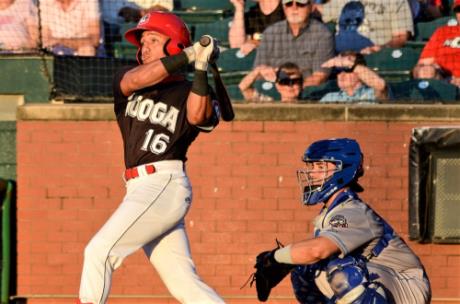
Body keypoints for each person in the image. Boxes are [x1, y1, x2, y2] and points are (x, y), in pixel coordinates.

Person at [77, 11, 224, 304]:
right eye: (141, 41)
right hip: (138, 187)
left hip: (164, 183)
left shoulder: (191, 90)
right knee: (185, 284)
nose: (143, 47)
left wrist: (200, 66)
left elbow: (199, 116)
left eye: (153, 40)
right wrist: (189, 55)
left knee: (100, 251)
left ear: (174, 45)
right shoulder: (129, 78)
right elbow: (134, 80)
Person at [266, 138, 432, 303]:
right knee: (305, 270)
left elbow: (317, 250)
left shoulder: (352, 210)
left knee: (343, 272)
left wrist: (275, 257)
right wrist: (287, 261)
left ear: (343, 170)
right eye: (312, 166)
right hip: (380, 278)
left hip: (407, 284)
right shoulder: (331, 210)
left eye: (320, 166)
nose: (312, 173)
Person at [253, 0, 334, 88]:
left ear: (311, 7)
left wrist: (291, 87)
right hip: (273, 92)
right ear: (284, 8)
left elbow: (319, 77)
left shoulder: (322, 34)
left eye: (300, 4)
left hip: (306, 93)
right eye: (289, 4)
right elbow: (257, 73)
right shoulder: (270, 33)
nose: (294, 8)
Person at [315, 0, 414, 54]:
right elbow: (317, 9)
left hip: (371, 54)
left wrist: (382, 48)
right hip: (340, 51)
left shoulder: (397, 1)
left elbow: (401, 36)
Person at [417, 0, 460, 87]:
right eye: (459, 10)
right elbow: (421, 64)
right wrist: (429, 70)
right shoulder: (442, 32)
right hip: (444, 81)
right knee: (425, 72)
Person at [319, 52, 389, 102]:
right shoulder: (329, 98)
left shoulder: (371, 93)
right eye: (338, 70)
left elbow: (381, 85)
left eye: (346, 70)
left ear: (359, 72)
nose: (341, 74)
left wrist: (350, 64)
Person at [239, 62, 303, 103]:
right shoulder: (269, 104)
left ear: (301, 85)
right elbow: (243, 87)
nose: (290, 86)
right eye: (285, 82)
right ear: (277, 86)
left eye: (295, 81)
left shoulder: (311, 102)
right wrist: (258, 70)